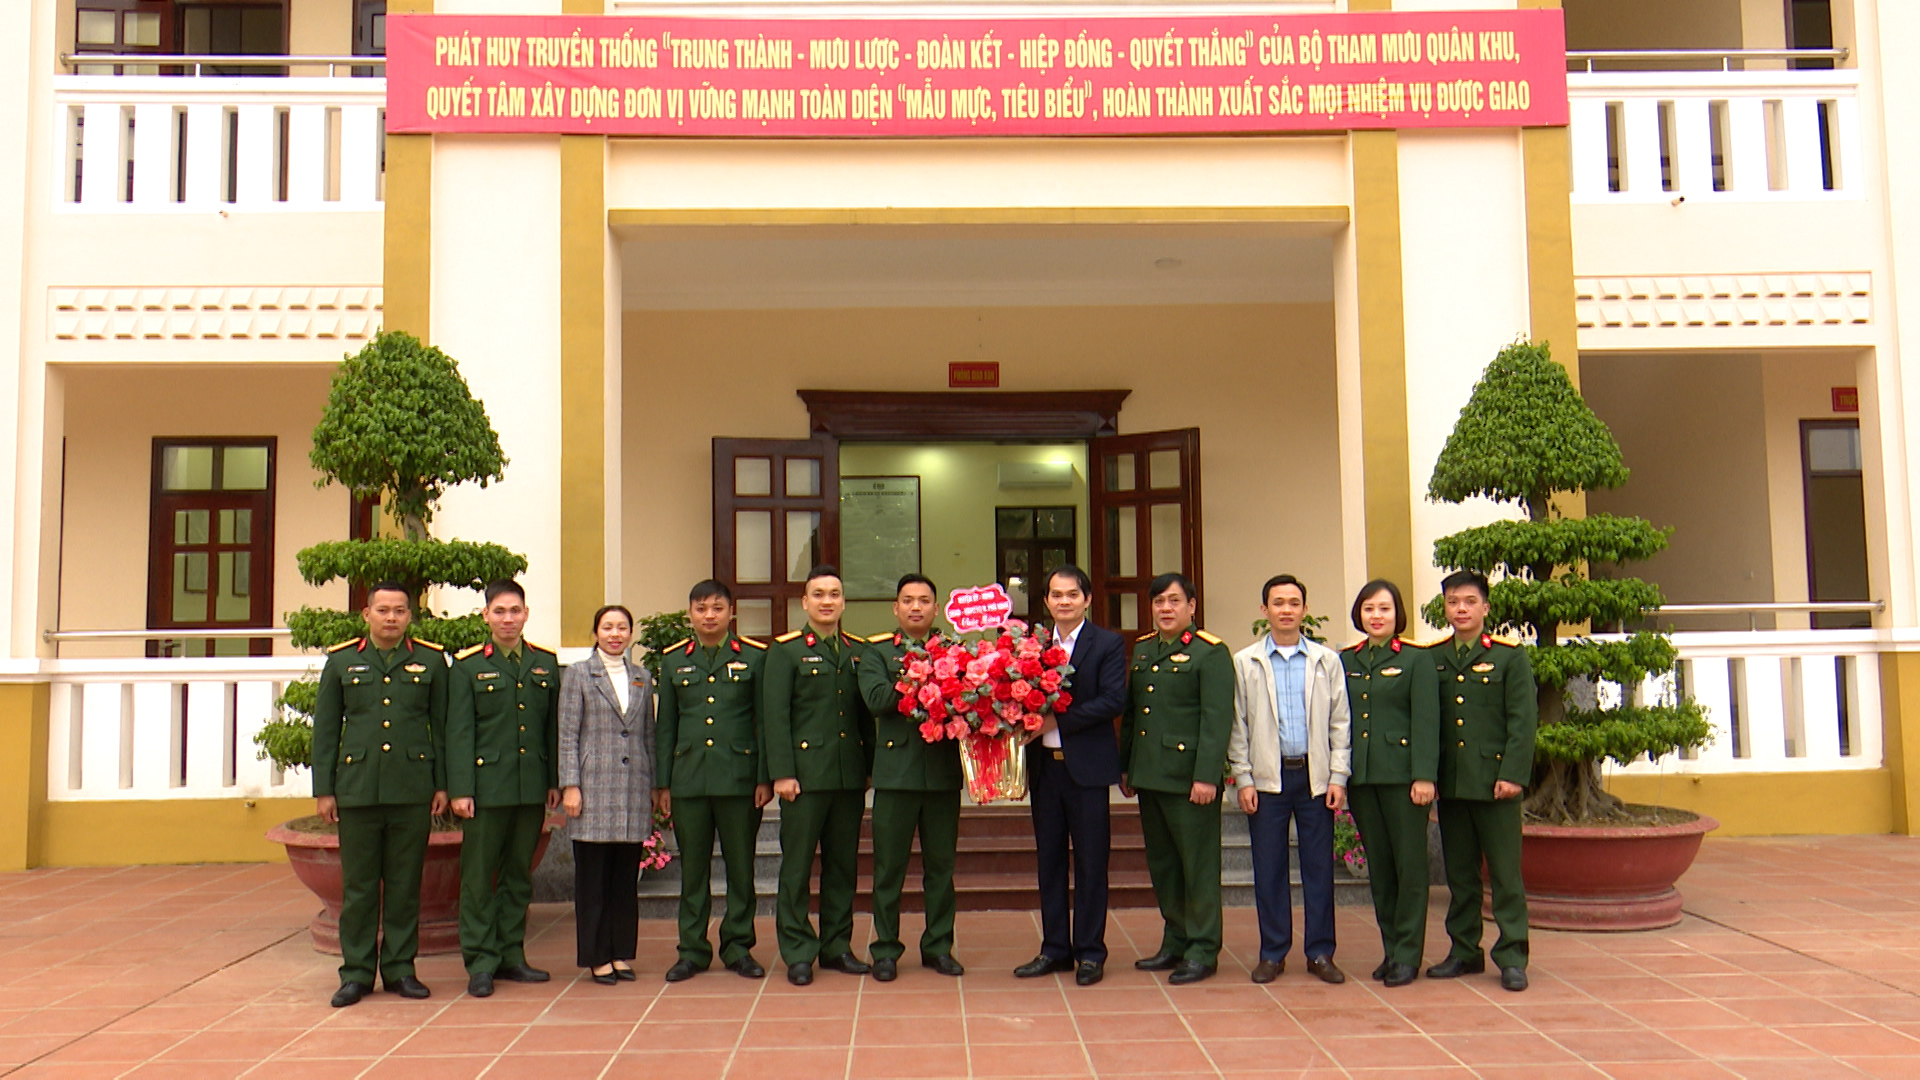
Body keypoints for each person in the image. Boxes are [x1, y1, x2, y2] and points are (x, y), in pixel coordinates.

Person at [311, 581, 449, 1007]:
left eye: (400, 611)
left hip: (412, 788)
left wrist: (442, 784)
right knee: (360, 886)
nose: (392, 618)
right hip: (357, 790)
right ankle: (355, 973)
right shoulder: (341, 662)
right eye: (383, 610)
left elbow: (442, 728)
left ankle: (400, 969)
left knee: (406, 884)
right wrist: (325, 791)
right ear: (366, 614)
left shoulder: (429, 660)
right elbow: (326, 730)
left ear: (410, 616)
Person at [1228, 574, 1353, 985]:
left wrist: (1338, 775)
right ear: (1264, 611)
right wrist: (1243, 778)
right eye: (1277, 603)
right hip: (1268, 780)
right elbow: (1238, 726)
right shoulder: (1246, 662)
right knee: (1269, 868)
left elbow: (1340, 722)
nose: (1286, 610)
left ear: (1304, 609)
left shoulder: (1325, 660)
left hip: (1314, 779)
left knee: (1319, 868)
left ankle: (1320, 952)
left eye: (1294, 602)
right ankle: (1273, 952)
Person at [654, 580, 772, 983]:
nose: (709, 615)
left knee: (741, 869)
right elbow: (665, 725)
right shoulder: (673, 661)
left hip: (740, 781)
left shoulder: (755, 657)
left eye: (717, 608)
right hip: (688, 782)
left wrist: (764, 777)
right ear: (690, 613)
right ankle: (692, 950)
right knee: (693, 872)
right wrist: (663, 784)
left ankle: (738, 947)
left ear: (731, 612)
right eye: (701, 608)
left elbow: (762, 722)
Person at [1014, 565, 1127, 987]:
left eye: (1072, 595)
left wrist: (1053, 721)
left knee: (1092, 863)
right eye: (1056, 595)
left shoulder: (1107, 644)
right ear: (1046, 601)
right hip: (1045, 772)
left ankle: (1091, 953)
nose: (1064, 602)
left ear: (1087, 599)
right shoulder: (1033, 646)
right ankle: (1055, 949)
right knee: (1050, 862)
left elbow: (1112, 700)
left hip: (1088, 771)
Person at [763, 565, 875, 986]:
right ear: (805, 602)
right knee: (796, 869)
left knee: (843, 868)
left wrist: (866, 771)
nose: (827, 601)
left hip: (847, 779)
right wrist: (782, 774)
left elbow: (863, 719)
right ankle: (796, 950)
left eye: (834, 594)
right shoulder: (786, 650)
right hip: (803, 780)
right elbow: (775, 717)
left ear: (844, 602)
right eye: (818, 594)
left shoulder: (859, 650)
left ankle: (836, 946)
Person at [1120, 572, 1234, 986]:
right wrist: (1127, 765)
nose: (1165, 609)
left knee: (1198, 867)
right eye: (1158, 602)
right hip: (1151, 775)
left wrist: (1207, 777)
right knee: (1164, 864)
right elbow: (1134, 713)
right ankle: (1176, 938)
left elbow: (1215, 720)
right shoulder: (1145, 648)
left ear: (1192, 606)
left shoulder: (1210, 653)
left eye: (1173, 601)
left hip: (1190, 782)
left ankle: (1203, 948)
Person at [1426, 569, 1537, 993]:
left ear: (1485, 608)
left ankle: (1512, 955)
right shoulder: (1433, 657)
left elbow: (1522, 722)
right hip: (1452, 785)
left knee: (1506, 875)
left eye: (1469, 602)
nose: (1461, 609)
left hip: (1496, 784)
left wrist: (1512, 774)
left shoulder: (1510, 657)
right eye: (1453, 602)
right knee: (1460, 874)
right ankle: (1464, 950)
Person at [448, 579, 560, 998]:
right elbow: (459, 732)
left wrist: (552, 782)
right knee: (478, 878)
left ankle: (512, 954)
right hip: (485, 790)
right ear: (486, 616)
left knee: (518, 875)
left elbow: (551, 729)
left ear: (526, 614)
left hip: (530, 787)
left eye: (515, 611)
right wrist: (461, 789)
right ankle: (480, 961)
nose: (508, 619)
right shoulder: (467, 666)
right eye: (500, 611)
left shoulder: (544, 664)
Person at [858, 573, 965, 982]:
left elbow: (969, 698)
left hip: (941, 775)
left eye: (924, 600)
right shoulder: (877, 652)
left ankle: (939, 946)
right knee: (888, 869)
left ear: (936, 609)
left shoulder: (956, 651)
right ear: (896, 608)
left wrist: (945, 678)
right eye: (908, 600)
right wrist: (930, 678)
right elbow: (877, 699)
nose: (916, 607)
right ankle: (885, 949)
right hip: (895, 776)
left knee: (941, 868)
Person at [1340, 580, 1438, 988]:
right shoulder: (1346, 660)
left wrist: (1424, 776)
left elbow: (1427, 720)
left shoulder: (1416, 659)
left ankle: (1408, 955)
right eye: (1368, 609)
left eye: (1384, 609)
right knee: (1380, 868)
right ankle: (1391, 948)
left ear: (1398, 614)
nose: (1376, 616)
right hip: (1363, 779)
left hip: (1404, 779)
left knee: (1409, 868)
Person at [558, 604, 657, 985]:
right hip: (593, 788)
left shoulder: (641, 676)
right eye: (607, 627)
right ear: (595, 631)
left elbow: (647, 732)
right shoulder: (579, 674)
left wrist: (653, 785)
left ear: (630, 633)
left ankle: (619, 952)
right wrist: (571, 784)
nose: (615, 634)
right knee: (593, 879)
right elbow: (567, 734)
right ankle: (596, 955)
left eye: (622, 628)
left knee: (623, 879)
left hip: (632, 788)